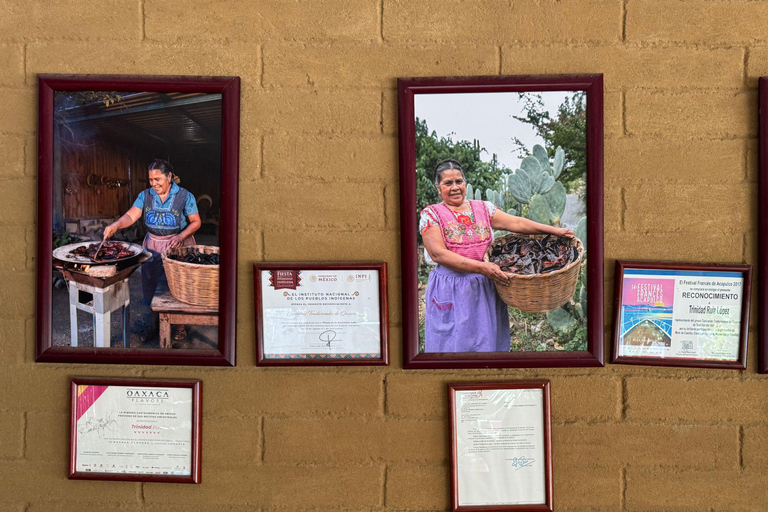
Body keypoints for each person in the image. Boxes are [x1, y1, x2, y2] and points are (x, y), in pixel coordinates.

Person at [420, 159, 574, 353]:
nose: (455, 187)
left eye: (459, 181)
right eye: (447, 183)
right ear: (438, 186)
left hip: (486, 285)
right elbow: (438, 254)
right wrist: (482, 268)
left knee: (487, 341)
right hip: (452, 288)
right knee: (453, 344)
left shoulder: (483, 208)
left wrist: (553, 231)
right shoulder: (431, 215)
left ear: (465, 183)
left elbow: (517, 223)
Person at [103, 159, 201, 313]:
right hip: (152, 245)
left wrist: (181, 237)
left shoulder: (185, 196)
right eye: (150, 180)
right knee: (150, 281)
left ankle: (180, 325)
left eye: (157, 179)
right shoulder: (145, 195)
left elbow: (196, 222)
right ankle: (152, 321)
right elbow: (131, 216)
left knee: (177, 284)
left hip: (177, 245)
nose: (153, 184)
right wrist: (115, 225)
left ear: (169, 177)